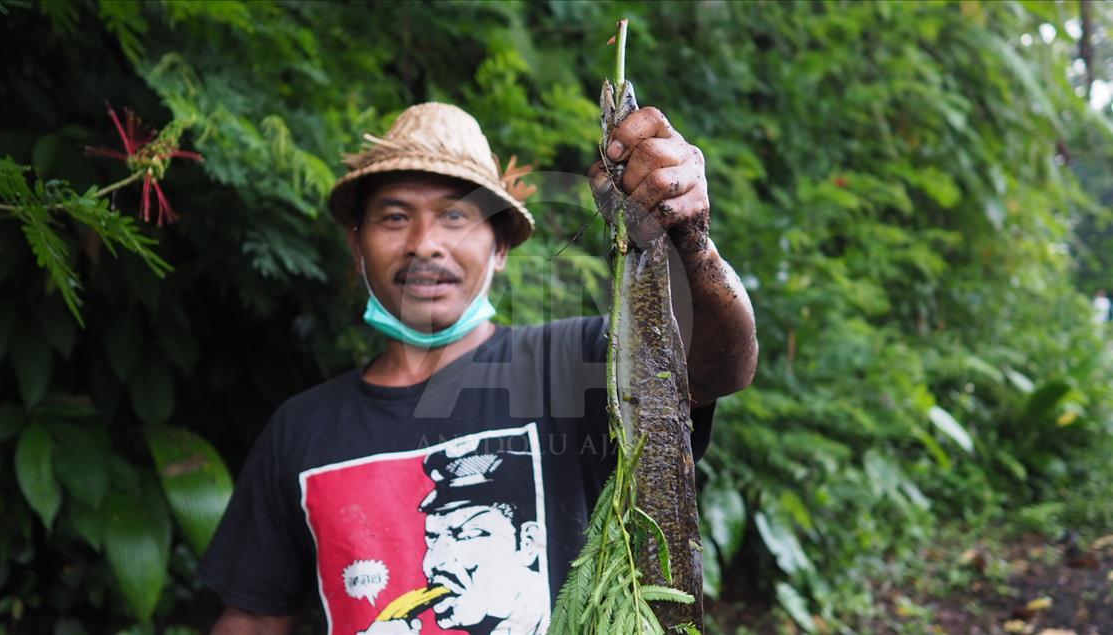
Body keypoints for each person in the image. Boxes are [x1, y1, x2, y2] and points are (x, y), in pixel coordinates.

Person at [202, 102, 757, 634]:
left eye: (455, 216)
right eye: (395, 217)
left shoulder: (577, 366)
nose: (424, 245)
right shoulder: (300, 430)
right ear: (357, 245)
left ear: (500, 248)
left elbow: (715, 365)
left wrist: (689, 238)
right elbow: (252, 617)